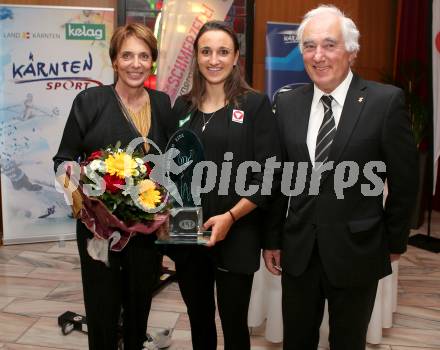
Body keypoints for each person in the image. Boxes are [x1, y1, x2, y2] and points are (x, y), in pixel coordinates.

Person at [263, 5, 418, 350]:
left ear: (352, 51)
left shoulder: (384, 101)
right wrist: (272, 238)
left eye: (330, 45)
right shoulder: (287, 103)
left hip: (357, 250)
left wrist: (393, 242)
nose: (318, 56)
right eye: (309, 46)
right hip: (299, 251)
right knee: (297, 341)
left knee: (348, 342)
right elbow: (277, 178)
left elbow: (405, 181)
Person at [53, 23, 173, 350]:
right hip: (99, 233)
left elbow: (171, 164)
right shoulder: (90, 101)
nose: (135, 63)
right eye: (127, 55)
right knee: (102, 309)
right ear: (115, 60)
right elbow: (63, 159)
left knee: (139, 308)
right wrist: (84, 186)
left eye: (143, 56)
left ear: (152, 61)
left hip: (146, 234)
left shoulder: (162, 104)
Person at [169, 21, 280, 350]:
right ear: (196, 57)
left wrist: (231, 217)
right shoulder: (182, 108)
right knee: (198, 319)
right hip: (187, 229)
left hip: (237, 228)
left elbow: (270, 175)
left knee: (233, 324)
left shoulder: (255, 105)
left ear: (235, 58)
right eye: (206, 51)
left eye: (223, 51)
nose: (213, 59)